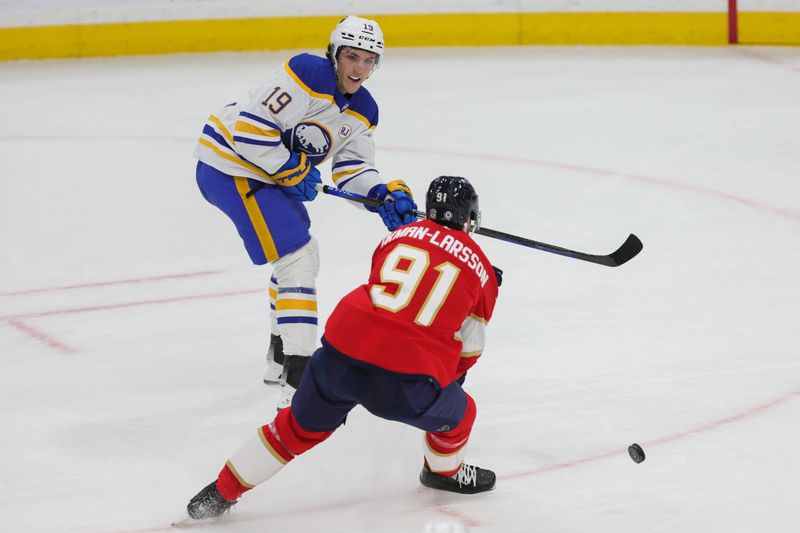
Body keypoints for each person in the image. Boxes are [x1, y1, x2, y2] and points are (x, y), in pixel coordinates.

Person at [185, 176, 503, 520]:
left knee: (292, 429)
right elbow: (469, 349)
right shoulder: (482, 270)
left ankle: (219, 493)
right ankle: (444, 473)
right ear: (469, 218)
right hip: (404, 382)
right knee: (463, 413)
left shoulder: (395, 237)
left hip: (341, 351)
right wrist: (448, 382)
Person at [193, 15, 416, 409]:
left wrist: (380, 193)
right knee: (297, 259)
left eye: (369, 60)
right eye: (352, 57)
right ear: (334, 53)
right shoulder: (308, 73)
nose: (359, 68)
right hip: (230, 166)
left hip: (265, 176)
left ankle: (279, 358)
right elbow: (250, 130)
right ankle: (299, 382)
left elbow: (351, 171)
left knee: (300, 254)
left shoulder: (364, 108)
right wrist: (293, 170)